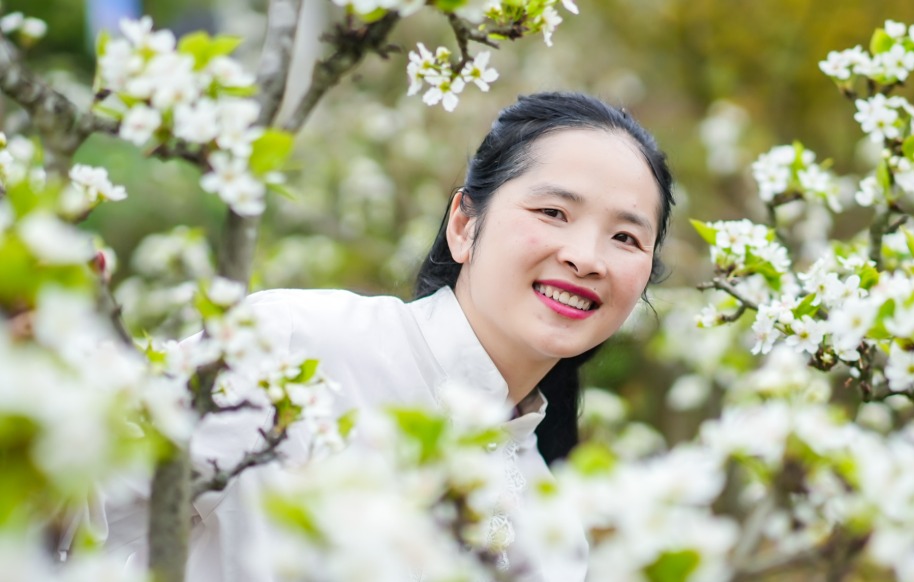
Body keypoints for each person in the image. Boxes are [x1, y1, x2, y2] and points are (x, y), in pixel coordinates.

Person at [102, 91, 675, 581]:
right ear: (463, 225)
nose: (586, 257)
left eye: (626, 238)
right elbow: (79, 501)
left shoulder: (555, 533)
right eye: (553, 212)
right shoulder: (292, 347)